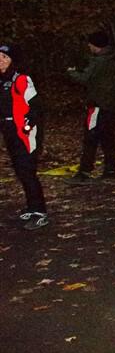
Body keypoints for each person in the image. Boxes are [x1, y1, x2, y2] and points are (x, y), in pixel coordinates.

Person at [66, 27, 115, 184]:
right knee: (108, 139)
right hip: (110, 105)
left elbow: (85, 78)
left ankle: (84, 172)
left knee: (90, 139)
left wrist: (72, 72)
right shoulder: (114, 59)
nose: (89, 47)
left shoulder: (99, 61)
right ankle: (110, 171)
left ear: (95, 45)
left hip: (98, 106)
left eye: (90, 44)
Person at [0, 43, 48, 229]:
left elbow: (36, 107)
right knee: (20, 170)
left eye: (5, 57)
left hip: (25, 132)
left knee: (28, 171)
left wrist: (27, 127)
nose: (1, 61)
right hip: (9, 131)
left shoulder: (21, 79)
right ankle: (31, 206)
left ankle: (40, 211)